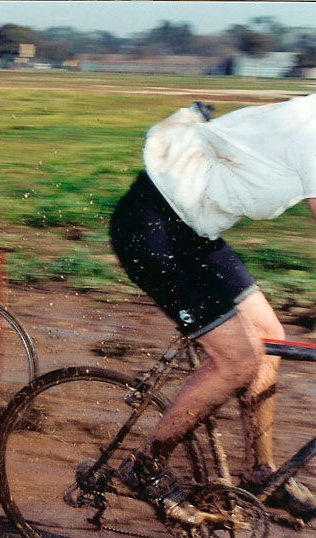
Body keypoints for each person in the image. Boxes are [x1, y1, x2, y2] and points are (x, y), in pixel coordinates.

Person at [109, 94, 316, 524]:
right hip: (154, 227)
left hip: (192, 227)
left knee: (270, 341)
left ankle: (260, 475)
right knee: (239, 360)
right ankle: (143, 465)